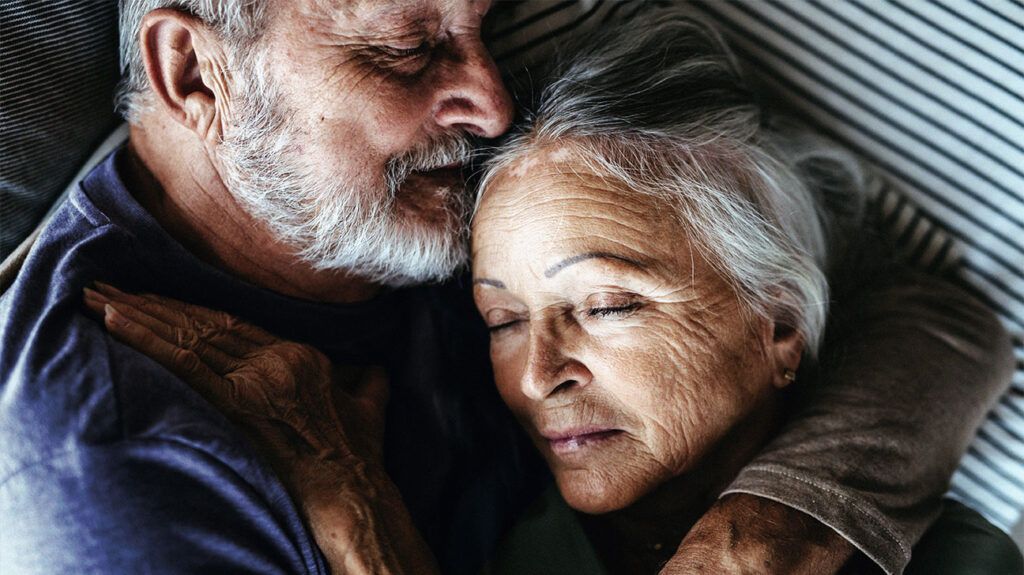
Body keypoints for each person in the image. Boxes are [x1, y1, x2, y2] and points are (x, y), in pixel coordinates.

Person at [0, 2, 1013, 574]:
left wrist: (763, 533)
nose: (488, 103)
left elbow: (933, 317)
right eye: (408, 49)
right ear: (194, 74)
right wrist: (367, 530)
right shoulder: (112, 492)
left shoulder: (407, 197)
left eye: (479, 29)